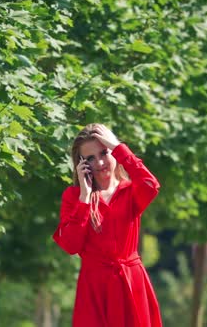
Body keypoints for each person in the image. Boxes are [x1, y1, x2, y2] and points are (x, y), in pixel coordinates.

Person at [52, 123, 163, 327]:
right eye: (91, 158)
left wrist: (119, 148)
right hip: (94, 287)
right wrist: (84, 199)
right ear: (81, 164)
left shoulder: (131, 191)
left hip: (131, 282)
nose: (100, 162)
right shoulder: (74, 197)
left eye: (104, 152)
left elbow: (151, 185)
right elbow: (70, 245)